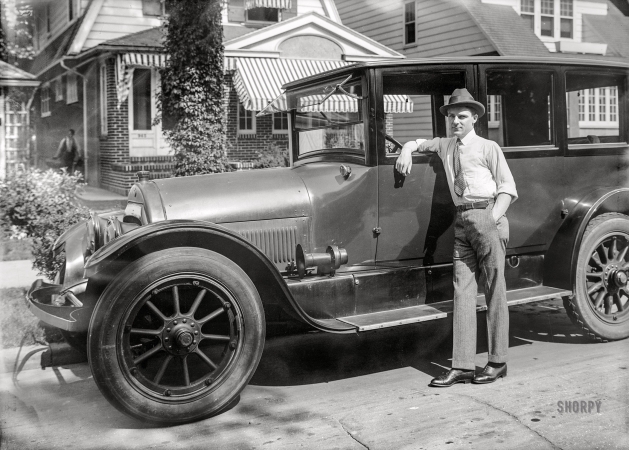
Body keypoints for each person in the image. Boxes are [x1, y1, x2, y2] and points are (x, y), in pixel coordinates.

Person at [395, 88, 517, 387]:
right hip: (461, 220)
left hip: (487, 216)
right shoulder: (446, 145)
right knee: (462, 292)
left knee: (493, 290)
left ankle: (497, 361)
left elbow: (508, 188)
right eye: (451, 116)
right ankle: (462, 366)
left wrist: (491, 218)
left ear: (474, 118)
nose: (456, 121)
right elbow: (416, 141)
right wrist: (406, 150)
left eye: (462, 116)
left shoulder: (489, 147)